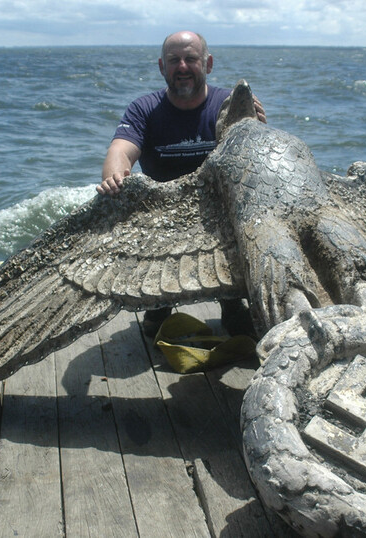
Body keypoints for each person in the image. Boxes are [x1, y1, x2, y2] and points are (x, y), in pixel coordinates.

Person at [98, 30, 266, 337]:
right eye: (174, 60)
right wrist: (115, 176)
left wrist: (257, 129)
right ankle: (158, 304)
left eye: (191, 58)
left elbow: (256, 162)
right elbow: (120, 149)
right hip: (163, 216)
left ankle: (232, 305)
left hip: (218, 214)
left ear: (208, 63)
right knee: (152, 330)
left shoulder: (230, 104)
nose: (183, 67)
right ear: (162, 67)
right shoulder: (143, 109)